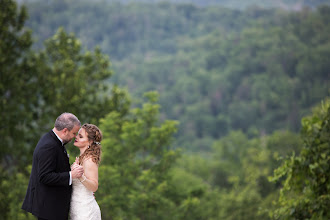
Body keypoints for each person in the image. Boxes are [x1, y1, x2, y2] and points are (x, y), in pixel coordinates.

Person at [22, 112, 84, 220]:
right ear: (65, 130)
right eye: (74, 133)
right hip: (49, 209)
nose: (75, 137)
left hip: (53, 208)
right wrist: (71, 175)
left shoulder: (55, 141)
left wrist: (69, 169)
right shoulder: (49, 146)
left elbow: (54, 168)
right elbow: (45, 176)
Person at [69, 123, 102, 220]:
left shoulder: (89, 160)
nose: (76, 137)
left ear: (90, 142)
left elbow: (94, 186)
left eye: (81, 136)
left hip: (85, 211)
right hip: (78, 208)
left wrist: (81, 177)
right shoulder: (82, 158)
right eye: (77, 134)